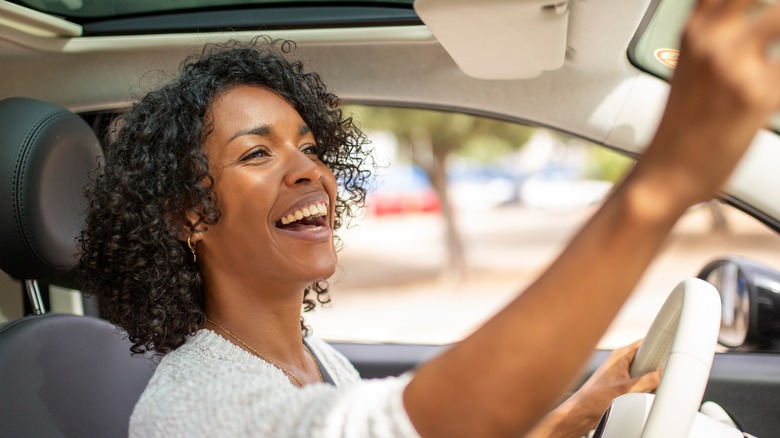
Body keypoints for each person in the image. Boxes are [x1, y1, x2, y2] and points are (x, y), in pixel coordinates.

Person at [77, 1, 780, 436]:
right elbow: (420, 425)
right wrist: (660, 185)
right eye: (257, 153)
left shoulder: (317, 361)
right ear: (190, 214)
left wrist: (577, 412)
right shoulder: (193, 408)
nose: (308, 170)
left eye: (310, 146)